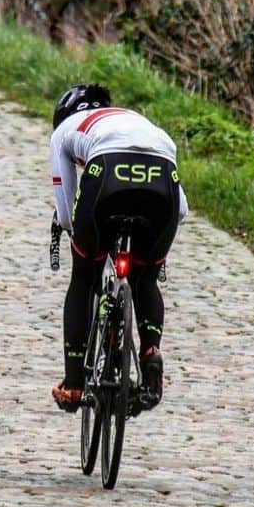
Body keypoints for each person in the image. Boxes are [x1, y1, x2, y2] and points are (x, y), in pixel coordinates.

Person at [49, 84, 187, 412]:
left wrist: (74, 231)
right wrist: (152, 256)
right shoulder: (144, 125)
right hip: (162, 180)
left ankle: (73, 385)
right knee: (144, 279)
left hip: (107, 173)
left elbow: (66, 202)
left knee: (83, 277)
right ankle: (151, 352)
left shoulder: (67, 130)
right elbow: (181, 210)